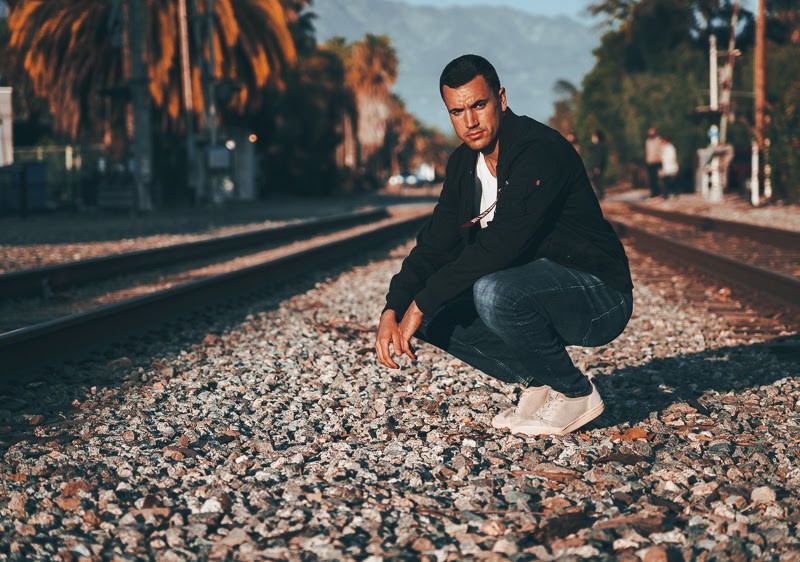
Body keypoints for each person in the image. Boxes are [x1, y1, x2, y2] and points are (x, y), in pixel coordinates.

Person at [374, 55, 634, 436]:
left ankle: (575, 392)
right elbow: (434, 245)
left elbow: (503, 246)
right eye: (457, 111)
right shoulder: (463, 165)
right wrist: (394, 307)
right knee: (427, 314)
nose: (471, 121)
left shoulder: (538, 150)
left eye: (479, 105)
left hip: (598, 293)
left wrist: (424, 299)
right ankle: (540, 382)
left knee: (492, 291)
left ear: (502, 99)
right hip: (534, 288)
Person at [588, 129, 607, 200]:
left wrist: (597, 166)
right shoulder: (598, 146)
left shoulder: (599, 146)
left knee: (597, 180)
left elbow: (599, 157)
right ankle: (599, 193)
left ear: (596, 137)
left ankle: (600, 194)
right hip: (597, 166)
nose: (592, 138)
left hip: (598, 167)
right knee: (595, 179)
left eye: (593, 137)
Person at [645, 127, 662, 197]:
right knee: (651, 178)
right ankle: (653, 193)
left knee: (657, 178)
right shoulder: (647, 141)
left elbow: (660, 150)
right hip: (650, 161)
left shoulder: (658, 140)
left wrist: (658, 158)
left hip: (657, 161)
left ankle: (658, 192)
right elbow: (647, 151)